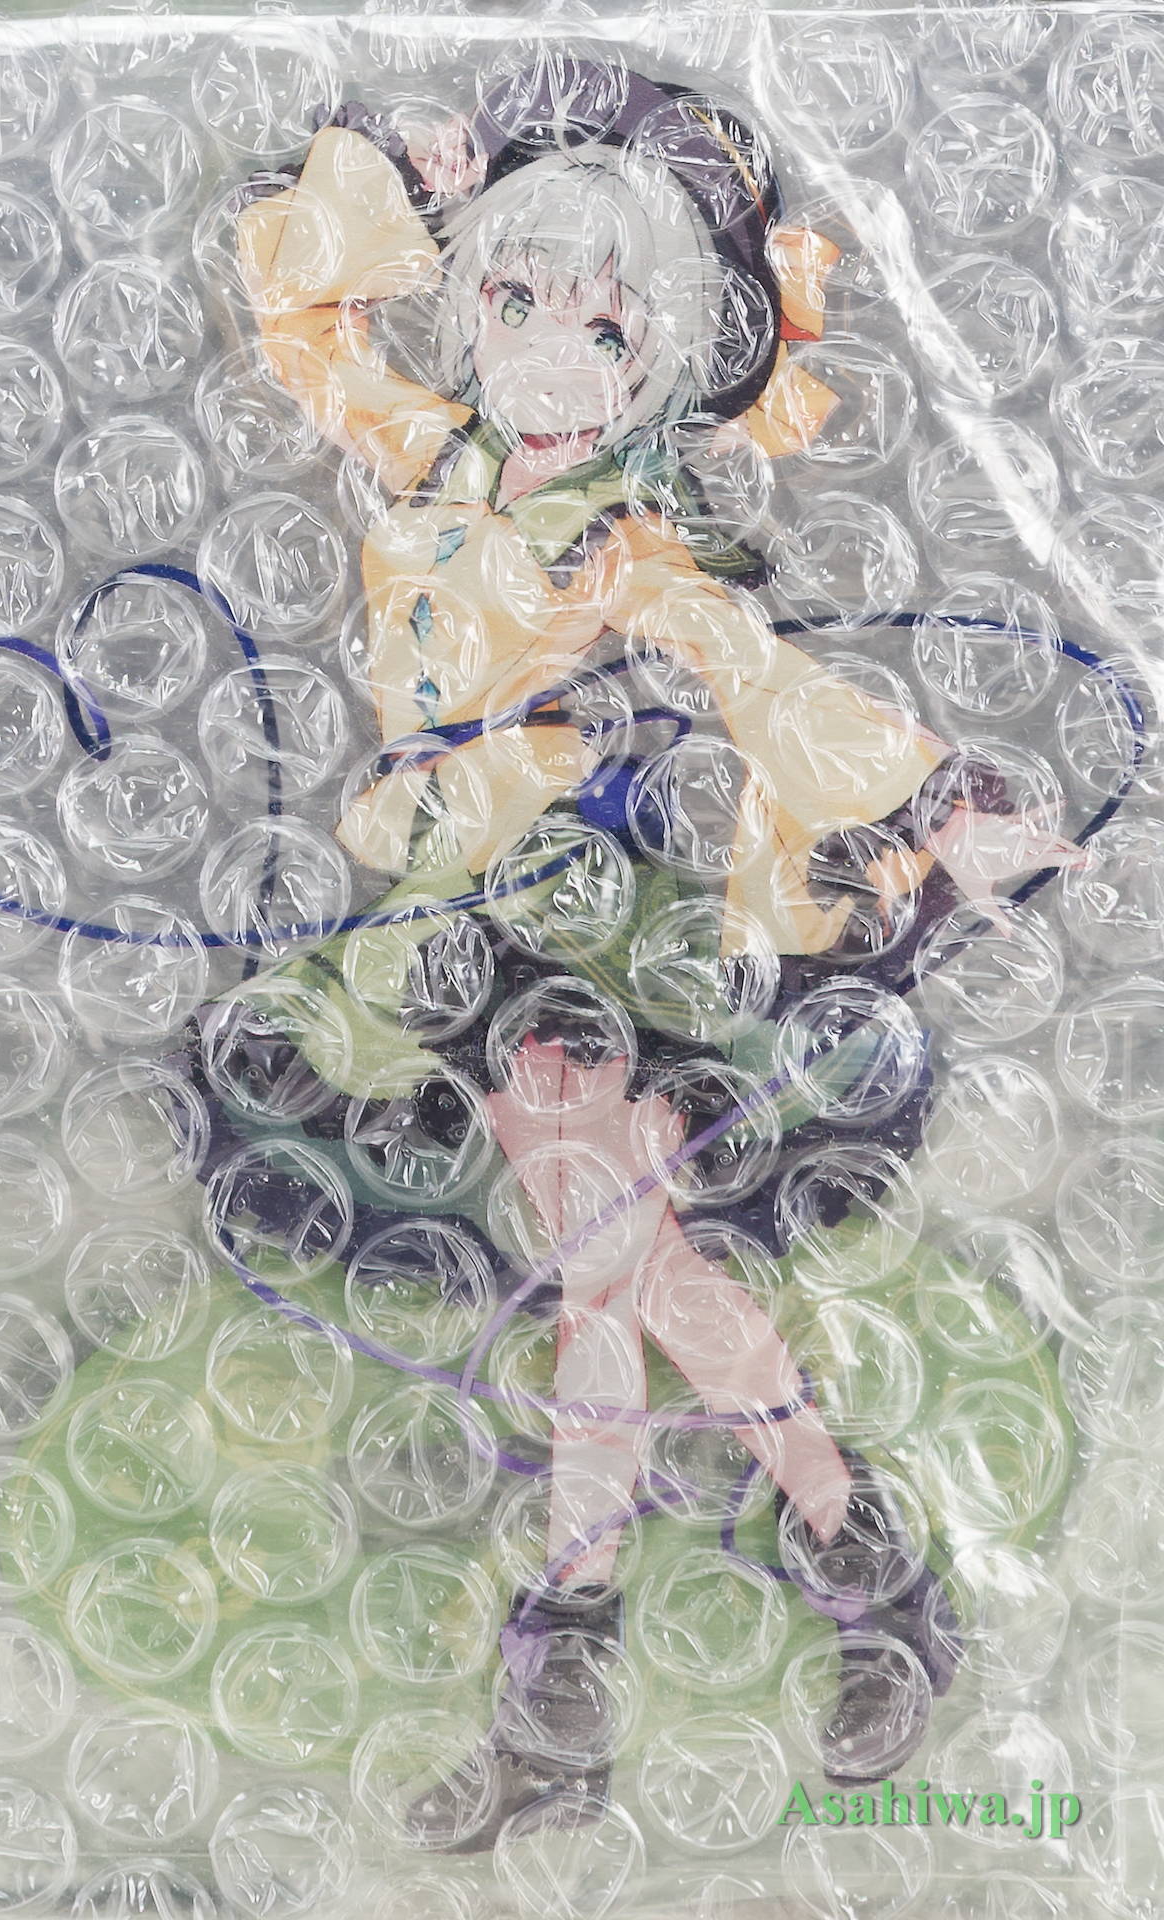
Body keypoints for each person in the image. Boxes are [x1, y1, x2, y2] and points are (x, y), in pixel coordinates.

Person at [176, 58, 1080, 1848]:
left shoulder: (634, 547)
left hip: (584, 912)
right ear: (467, 303)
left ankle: (605, 1673)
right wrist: (388, 168)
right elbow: (294, 309)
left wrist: (938, 802)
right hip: (448, 904)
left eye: (605, 330)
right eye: (512, 299)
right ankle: (836, 1593)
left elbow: (765, 681)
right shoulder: (430, 453)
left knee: (610, 1269)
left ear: (662, 361)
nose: (547, 355)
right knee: (613, 1283)